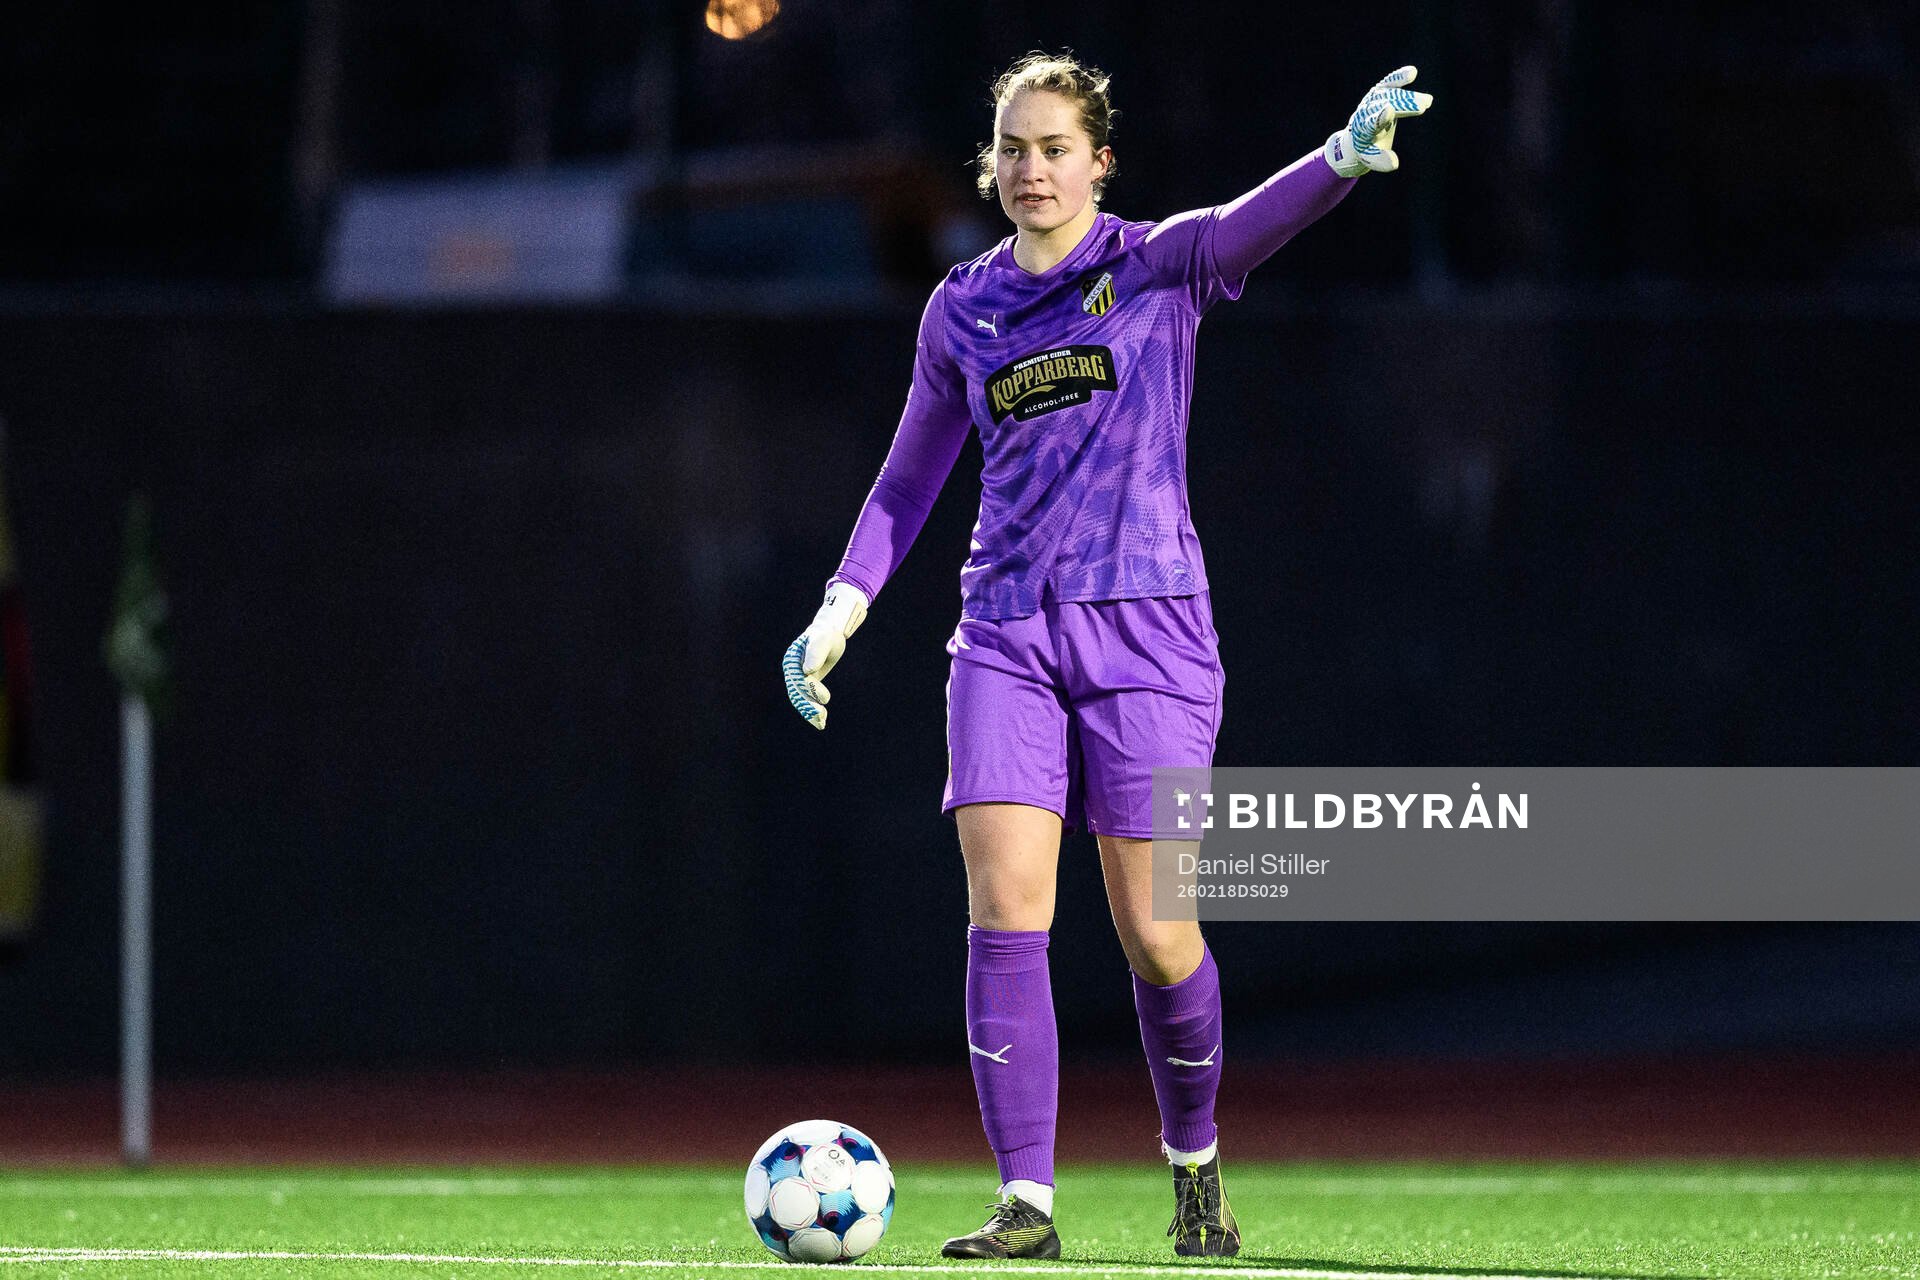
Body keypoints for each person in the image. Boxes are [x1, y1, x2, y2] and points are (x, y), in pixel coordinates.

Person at [782, 52, 1431, 1260]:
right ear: (993, 161)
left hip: (1148, 628)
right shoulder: (960, 308)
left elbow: (1248, 226)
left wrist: (1340, 160)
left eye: (1056, 148)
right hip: (1005, 631)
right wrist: (841, 604)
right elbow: (911, 474)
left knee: (1155, 932)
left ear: (1100, 161)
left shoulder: (1153, 264)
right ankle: (1026, 1200)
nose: (1033, 170)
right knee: (1004, 908)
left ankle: (1195, 1166)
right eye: (1014, 149)